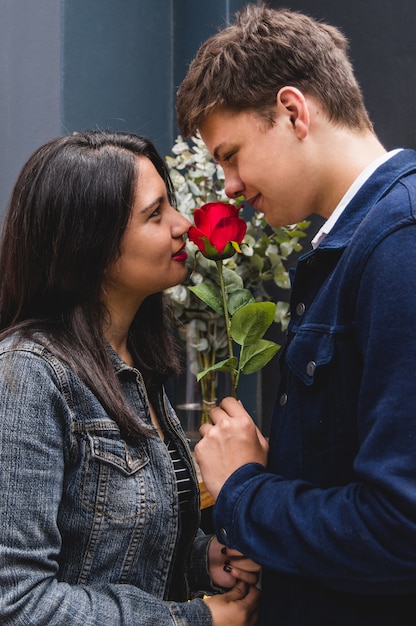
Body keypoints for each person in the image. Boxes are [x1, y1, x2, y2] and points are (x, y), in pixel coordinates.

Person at [176, 4, 416, 625]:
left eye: (230, 154)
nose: (227, 185)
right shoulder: (354, 246)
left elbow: (401, 531)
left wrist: (242, 492)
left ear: (292, 110)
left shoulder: (399, 246)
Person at [0, 129, 260, 625]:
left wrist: (202, 559)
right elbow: (18, 603)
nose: (183, 225)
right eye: (155, 213)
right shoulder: (27, 377)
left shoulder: (138, 366)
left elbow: (116, 551)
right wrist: (194, 620)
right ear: (91, 246)